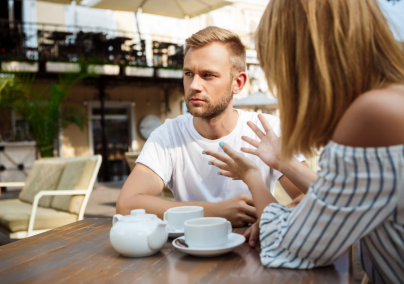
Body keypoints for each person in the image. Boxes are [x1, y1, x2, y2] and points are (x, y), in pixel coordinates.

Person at [202, 0, 404, 283]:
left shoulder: (372, 115)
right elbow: (346, 198)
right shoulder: (393, 97)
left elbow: (289, 244)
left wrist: (252, 175)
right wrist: (284, 164)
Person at [116, 27, 309, 233]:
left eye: (208, 75)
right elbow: (127, 205)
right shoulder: (169, 135)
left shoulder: (266, 130)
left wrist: (274, 219)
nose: (194, 85)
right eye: (188, 74)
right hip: (189, 253)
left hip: (254, 250)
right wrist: (212, 212)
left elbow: (309, 198)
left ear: (238, 82)